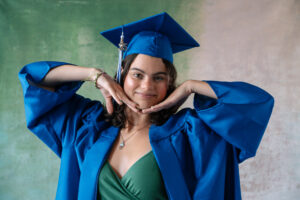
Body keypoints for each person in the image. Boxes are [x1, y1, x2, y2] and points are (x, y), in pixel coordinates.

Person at [18, 12, 274, 200]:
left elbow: (254, 104)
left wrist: (191, 87)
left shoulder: (188, 133)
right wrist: (94, 74)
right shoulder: (87, 127)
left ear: (170, 83)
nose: (147, 86)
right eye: (137, 75)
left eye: (159, 77)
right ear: (122, 75)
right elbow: (35, 79)